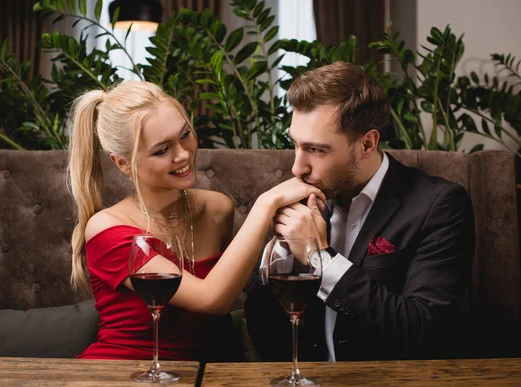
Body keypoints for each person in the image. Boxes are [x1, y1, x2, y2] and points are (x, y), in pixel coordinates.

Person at [67, 80, 325, 361]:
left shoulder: (217, 209)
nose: (183, 154)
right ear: (123, 163)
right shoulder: (106, 228)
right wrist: (266, 204)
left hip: (205, 378)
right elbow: (212, 300)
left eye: (185, 134)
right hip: (121, 373)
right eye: (162, 150)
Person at [245, 61, 476, 361]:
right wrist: (279, 256)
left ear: (367, 143)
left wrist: (319, 258)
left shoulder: (441, 206)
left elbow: (422, 331)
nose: (296, 167)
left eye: (316, 149)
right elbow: (264, 336)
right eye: (296, 145)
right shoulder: (305, 198)